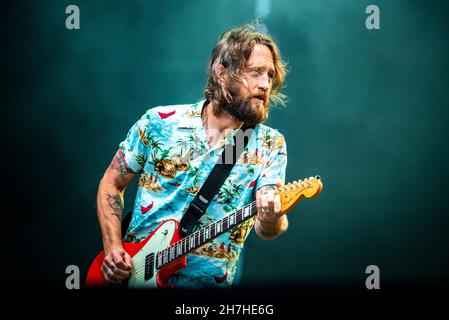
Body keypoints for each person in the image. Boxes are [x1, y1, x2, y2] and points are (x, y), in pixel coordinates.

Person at [96, 23, 289, 288]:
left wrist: (272, 217)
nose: (266, 84)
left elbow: (267, 229)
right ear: (222, 73)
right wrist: (113, 247)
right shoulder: (159, 122)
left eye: (270, 75)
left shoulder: (269, 144)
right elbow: (112, 182)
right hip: (132, 277)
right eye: (256, 72)